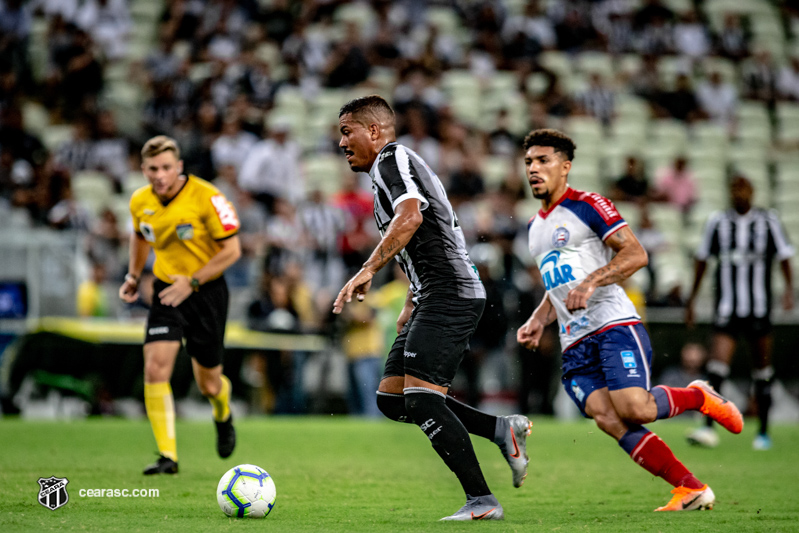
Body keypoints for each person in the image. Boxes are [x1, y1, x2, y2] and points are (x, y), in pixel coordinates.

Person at [516, 129, 743, 512]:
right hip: (574, 342)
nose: (534, 169)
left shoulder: (588, 205)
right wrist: (540, 317)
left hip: (612, 324)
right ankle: (691, 488)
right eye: (528, 163)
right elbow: (559, 282)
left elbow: (636, 254)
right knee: (607, 418)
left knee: (635, 409)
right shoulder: (534, 227)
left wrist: (591, 283)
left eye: (543, 160)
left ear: (565, 166)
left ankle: (698, 395)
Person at [332, 95, 531, 522]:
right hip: (431, 295)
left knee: (421, 398)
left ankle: (482, 500)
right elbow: (426, 242)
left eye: (347, 132)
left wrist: (368, 269)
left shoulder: (393, 159)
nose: (342, 142)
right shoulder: (386, 171)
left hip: (451, 293)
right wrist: (408, 300)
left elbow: (412, 220)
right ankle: (500, 429)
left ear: (373, 131)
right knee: (392, 399)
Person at [119, 136, 241, 474]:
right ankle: (167, 457)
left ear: (179, 167)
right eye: (153, 168)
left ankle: (222, 412)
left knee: (209, 384)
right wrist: (132, 275)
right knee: (156, 367)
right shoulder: (140, 201)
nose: (159, 175)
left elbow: (232, 251)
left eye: (166, 168)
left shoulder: (207, 197)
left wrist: (194, 281)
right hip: (167, 290)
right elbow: (141, 234)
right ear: (143, 169)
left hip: (207, 292)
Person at [685, 175, 795, 450]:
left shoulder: (768, 221)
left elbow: (784, 256)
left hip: (758, 309)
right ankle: (709, 428)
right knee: (717, 365)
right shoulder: (717, 222)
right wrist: (692, 299)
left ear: (753, 191)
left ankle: (764, 432)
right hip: (728, 308)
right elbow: (702, 260)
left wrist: (788, 291)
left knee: (762, 370)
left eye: (743, 188)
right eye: (734, 188)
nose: (739, 193)